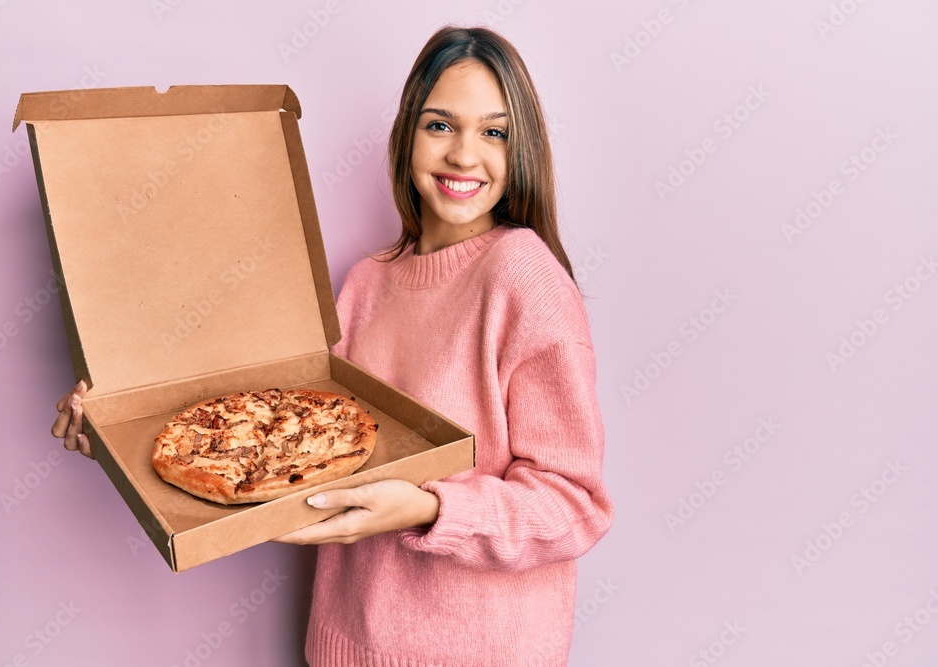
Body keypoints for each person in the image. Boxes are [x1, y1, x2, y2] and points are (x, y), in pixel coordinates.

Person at [52, 25, 612, 666]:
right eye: (439, 125)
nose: (463, 155)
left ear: (523, 151)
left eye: (493, 132)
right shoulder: (365, 284)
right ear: (406, 136)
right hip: (344, 645)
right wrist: (117, 427)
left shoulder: (524, 276)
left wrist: (430, 510)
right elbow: (270, 448)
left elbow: (575, 506)